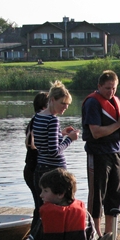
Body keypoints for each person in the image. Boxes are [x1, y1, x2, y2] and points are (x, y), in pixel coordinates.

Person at [82, 70, 120, 238]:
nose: (111, 92)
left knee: (115, 193)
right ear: (99, 86)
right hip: (98, 153)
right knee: (97, 194)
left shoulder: (115, 101)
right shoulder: (92, 103)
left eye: (114, 88)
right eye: (107, 88)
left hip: (115, 151)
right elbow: (96, 132)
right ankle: (94, 234)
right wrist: (119, 123)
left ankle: (109, 233)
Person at [32, 81, 79, 227]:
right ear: (52, 100)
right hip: (54, 172)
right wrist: (69, 139)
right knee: (59, 209)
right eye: (63, 103)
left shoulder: (38, 116)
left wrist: (60, 133)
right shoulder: (52, 120)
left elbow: (42, 143)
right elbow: (54, 151)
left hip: (41, 167)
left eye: (67, 104)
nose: (65, 107)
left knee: (42, 209)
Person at [24, 91, 49, 240]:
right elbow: (33, 145)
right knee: (40, 208)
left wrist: (59, 134)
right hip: (34, 170)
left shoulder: (37, 121)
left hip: (32, 169)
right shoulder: (37, 121)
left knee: (40, 207)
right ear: (44, 106)